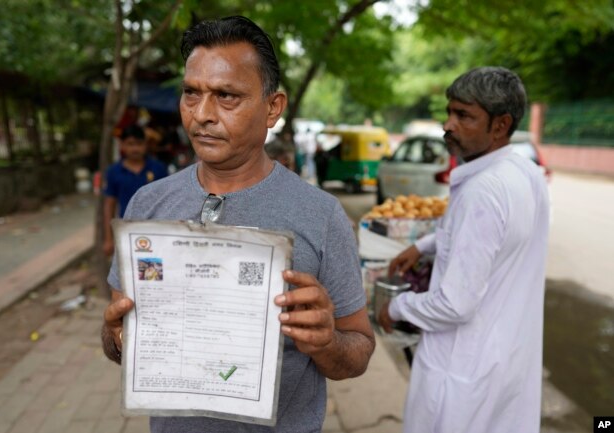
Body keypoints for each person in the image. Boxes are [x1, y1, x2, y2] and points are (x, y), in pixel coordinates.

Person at [101, 16, 375, 433]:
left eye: (226, 96)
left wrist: (328, 342)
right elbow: (118, 340)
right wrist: (115, 335)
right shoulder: (148, 203)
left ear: (272, 108)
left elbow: (358, 351)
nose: (202, 115)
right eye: (191, 94)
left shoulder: (320, 216)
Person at [378, 67, 550, 433]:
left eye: (464, 116)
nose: (448, 125)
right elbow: (491, 236)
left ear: (500, 125)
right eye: (450, 111)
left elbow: (454, 304)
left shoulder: (482, 191)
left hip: (463, 373)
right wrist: (424, 245)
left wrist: (396, 307)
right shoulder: (526, 174)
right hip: (505, 362)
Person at [102, 124, 168, 256]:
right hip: (127, 230)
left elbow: (168, 200)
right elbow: (110, 205)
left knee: (156, 269)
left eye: (139, 144)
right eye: (130, 144)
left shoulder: (158, 168)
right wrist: (108, 239)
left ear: (145, 145)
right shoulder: (114, 172)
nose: (135, 148)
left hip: (157, 229)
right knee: (131, 271)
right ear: (122, 145)